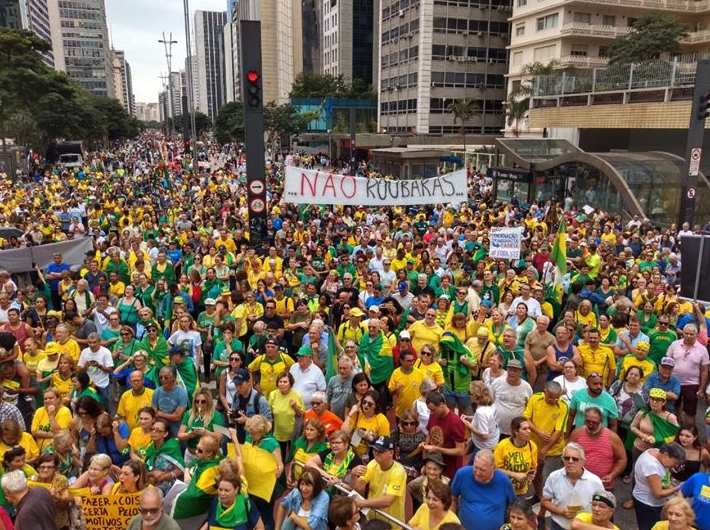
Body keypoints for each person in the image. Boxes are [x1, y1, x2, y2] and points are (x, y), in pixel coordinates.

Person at [541, 442, 605, 530]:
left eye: (575, 459)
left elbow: (603, 507)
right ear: (563, 460)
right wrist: (561, 512)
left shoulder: (595, 481)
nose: (570, 461)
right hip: (558, 525)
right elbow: (545, 500)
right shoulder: (554, 477)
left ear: (583, 462)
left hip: (584, 527)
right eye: (567, 458)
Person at [450, 449, 515, 530]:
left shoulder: (504, 481)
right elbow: (453, 498)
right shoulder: (462, 474)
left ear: (493, 468)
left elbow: (513, 506)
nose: (477, 472)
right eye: (475, 467)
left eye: (482, 470)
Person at [172, 432, 223, 530]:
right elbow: (191, 464)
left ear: (209, 453)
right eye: (197, 448)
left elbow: (195, 494)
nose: (196, 452)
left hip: (200, 510)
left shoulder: (211, 469)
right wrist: (187, 473)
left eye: (200, 450)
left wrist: (178, 498)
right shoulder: (205, 459)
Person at [568, 407, 627, 491]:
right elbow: (568, 456)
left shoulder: (613, 437)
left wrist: (612, 475)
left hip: (604, 485)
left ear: (601, 421)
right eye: (588, 421)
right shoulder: (576, 434)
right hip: (579, 484)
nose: (591, 425)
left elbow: (622, 459)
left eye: (594, 422)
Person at [351, 436, 407, 523]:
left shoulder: (398, 472)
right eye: (374, 450)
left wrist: (363, 503)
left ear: (391, 453)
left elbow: (388, 501)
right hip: (372, 518)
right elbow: (359, 488)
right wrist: (353, 475)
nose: (376, 453)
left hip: (390, 521)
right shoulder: (372, 464)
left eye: (380, 451)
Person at [632, 442, 686, 530]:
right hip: (648, 504)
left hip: (646, 499)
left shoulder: (656, 451)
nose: (675, 466)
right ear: (666, 455)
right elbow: (658, 494)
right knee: (649, 527)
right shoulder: (652, 466)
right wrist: (678, 488)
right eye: (675, 462)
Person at [666, 322, 709, 427]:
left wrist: (702, 389)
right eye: (686, 333)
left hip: (692, 384)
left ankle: (688, 432)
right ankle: (676, 429)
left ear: (696, 335)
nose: (688, 336)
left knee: (690, 412)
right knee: (673, 408)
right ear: (683, 333)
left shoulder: (702, 350)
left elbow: (704, 370)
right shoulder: (674, 344)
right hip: (673, 382)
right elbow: (667, 362)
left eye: (691, 334)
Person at [424, 391, 466, 478]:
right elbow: (429, 433)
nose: (432, 413)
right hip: (434, 466)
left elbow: (460, 451)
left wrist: (436, 448)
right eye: (430, 410)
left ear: (442, 404)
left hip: (450, 470)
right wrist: (425, 446)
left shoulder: (455, 422)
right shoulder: (433, 415)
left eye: (434, 409)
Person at [494, 416, 538, 498]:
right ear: (516, 431)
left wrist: (531, 474)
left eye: (529, 428)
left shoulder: (532, 446)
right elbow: (495, 469)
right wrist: (514, 474)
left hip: (522, 492)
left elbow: (533, 467)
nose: (529, 431)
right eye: (524, 429)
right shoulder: (502, 445)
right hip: (503, 490)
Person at [491, 359, 533, 438]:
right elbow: (490, 402)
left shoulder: (527, 388)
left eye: (515, 370)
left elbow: (530, 408)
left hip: (517, 431)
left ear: (521, 372)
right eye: (510, 369)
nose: (512, 373)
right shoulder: (497, 382)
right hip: (496, 428)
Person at [342, 389, 390, 457]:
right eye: (364, 402)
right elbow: (343, 432)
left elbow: (385, 444)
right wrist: (351, 412)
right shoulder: (357, 414)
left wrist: (369, 437)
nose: (366, 405)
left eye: (370, 404)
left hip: (371, 455)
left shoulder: (382, 420)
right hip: (353, 453)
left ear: (376, 405)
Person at [144, 418, 185, 495]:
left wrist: (162, 477)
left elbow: (180, 471)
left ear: (165, 434)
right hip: (153, 487)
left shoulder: (172, 447)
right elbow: (146, 469)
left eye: (158, 430)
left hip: (170, 488)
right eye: (152, 429)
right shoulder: (150, 448)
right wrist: (151, 474)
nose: (153, 432)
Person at [388, 349, 426, 419]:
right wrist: (395, 389)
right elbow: (390, 392)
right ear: (401, 361)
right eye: (408, 361)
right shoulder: (396, 373)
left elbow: (425, 390)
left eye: (412, 360)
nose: (412, 363)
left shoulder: (419, 373)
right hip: (401, 413)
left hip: (417, 412)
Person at [152, 365, 189, 436]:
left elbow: (177, 417)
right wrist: (171, 415)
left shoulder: (182, 393)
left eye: (166, 377)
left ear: (174, 378)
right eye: (160, 377)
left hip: (177, 430)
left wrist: (161, 414)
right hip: (160, 431)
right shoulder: (157, 392)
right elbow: (154, 413)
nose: (163, 380)